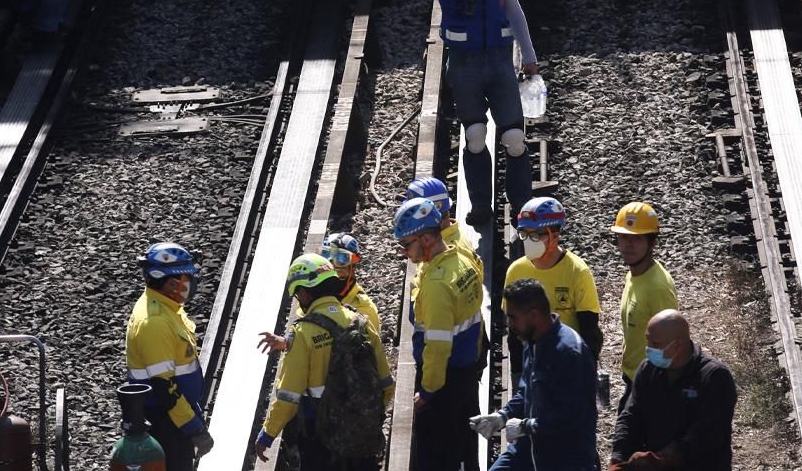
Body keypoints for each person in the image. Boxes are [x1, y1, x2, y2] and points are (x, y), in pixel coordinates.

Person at [426, 0, 538, 223]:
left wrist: (529, 58)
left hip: (500, 61)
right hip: (465, 64)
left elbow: (515, 14)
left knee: (515, 138)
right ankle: (479, 207)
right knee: (475, 134)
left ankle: (522, 205)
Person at [254, 254, 393, 470]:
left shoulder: (303, 333)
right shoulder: (361, 322)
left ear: (304, 292)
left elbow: (288, 397)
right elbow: (386, 383)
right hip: (362, 433)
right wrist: (368, 414)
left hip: (320, 435)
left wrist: (267, 434)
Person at [394, 197, 484, 471]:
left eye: (406, 244)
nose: (404, 251)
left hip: (445, 380)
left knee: (436, 454)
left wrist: (429, 391)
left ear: (427, 240)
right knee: (465, 437)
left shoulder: (436, 285)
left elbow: (437, 346)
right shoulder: (461, 261)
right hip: (467, 367)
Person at [470, 279, 598, 471]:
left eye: (513, 317)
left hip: (566, 458)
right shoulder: (533, 341)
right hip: (529, 449)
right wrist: (502, 416)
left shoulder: (569, 353)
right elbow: (525, 391)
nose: (509, 324)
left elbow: (573, 415)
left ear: (534, 316)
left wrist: (526, 426)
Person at [609, 310, 737, 470]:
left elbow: (706, 434)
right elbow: (630, 417)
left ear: (677, 344)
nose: (648, 349)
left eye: (655, 344)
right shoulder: (648, 370)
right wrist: (618, 459)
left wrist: (661, 459)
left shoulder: (714, 377)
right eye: (647, 341)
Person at [125, 242, 215, 470]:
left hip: (174, 419)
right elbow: (165, 388)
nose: (190, 283)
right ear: (171, 282)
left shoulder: (167, 307)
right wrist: (194, 427)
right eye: (186, 277)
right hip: (166, 425)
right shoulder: (154, 323)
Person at [504, 197, 603, 381]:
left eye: (534, 235)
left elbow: (590, 331)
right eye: (524, 234)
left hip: (567, 367)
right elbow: (513, 330)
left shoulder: (577, 272)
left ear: (554, 235)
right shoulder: (516, 271)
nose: (528, 241)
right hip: (530, 369)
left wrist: (585, 373)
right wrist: (517, 374)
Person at [257, 232, 381, 353]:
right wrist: (286, 342)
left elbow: (371, 352)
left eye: (341, 258)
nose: (333, 264)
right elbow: (308, 334)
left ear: (353, 266)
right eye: (326, 254)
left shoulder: (364, 308)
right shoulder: (311, 296)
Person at [612, 201, 678, 409]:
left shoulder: (657, 288)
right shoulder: (633, 275)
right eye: (623, 237)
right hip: (634, 379)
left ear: (652, 243)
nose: (628, 245)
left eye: (637, 238)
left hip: (652, 385)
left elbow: (672, 344)